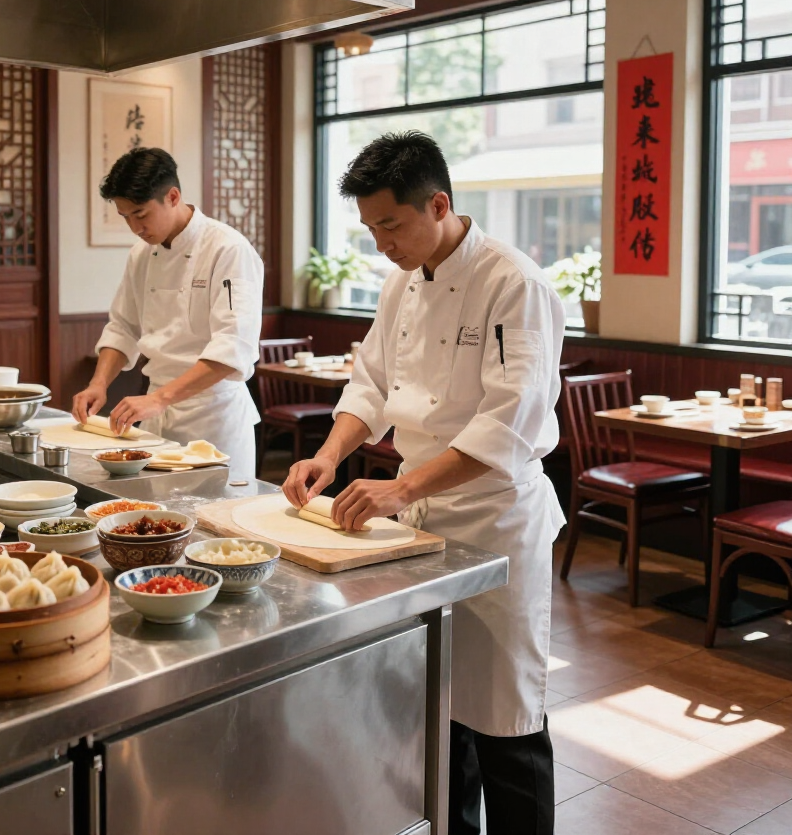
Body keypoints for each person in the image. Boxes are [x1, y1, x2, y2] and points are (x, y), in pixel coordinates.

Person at [282, 131, 564, 835]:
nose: (381, 242)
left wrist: (401, 490)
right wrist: (330, 454)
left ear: (437, 203)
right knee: (441, 711)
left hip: (497, 522)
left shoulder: (513, 282)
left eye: (391, 224)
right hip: (422, 524)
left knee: (506, 719)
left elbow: (510, 425)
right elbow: (371, 384)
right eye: (370, 226)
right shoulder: (400, 282)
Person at [72, 147, 263, 482]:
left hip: (214, 419)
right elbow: (123, 327)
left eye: (141, 214)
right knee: (164, 521)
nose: (135, 227)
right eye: (125, 217)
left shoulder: (227, 249)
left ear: (173, 196)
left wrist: (159, 398)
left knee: (213, 525)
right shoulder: (141, 255)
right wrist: (98, 384)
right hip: (157, 414)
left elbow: (233, 348)